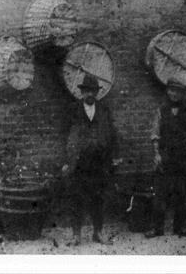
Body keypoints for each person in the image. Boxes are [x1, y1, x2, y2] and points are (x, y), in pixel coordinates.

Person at [61, 73, 119, 246]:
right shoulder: (73, 109)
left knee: (98, 198)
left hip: (99, 162)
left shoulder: (104, 110)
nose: (90, 95)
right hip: (79, 162)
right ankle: (76, 235)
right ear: (82, 92)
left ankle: (98, 232)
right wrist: (66, 160)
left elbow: (112, 134)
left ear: (97, 92)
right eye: (87, 91)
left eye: (93, 91)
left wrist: (114, 156)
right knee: (76, 198)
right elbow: (65, 136)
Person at [145, 76, 186, 238]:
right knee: (160, 194)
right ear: (167, 91)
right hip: (165, 157)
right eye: (171, 90)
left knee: (181, 194)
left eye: (177, 91)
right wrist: (156, 154)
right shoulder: (161, 110)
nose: (174, 94)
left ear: (182, 93)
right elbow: (155, 133)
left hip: (183, 159)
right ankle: (157, 228)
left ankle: (181, 227)